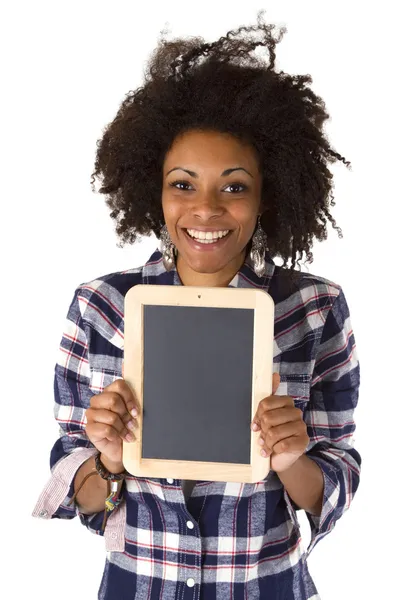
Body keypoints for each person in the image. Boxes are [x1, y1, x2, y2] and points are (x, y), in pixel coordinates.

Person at [32, 12, 361, 600]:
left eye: (234, 186)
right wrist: (108, 459)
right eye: (182, 184)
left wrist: (290, 459)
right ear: (153, 190)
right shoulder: (101, 306)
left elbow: (333, 486)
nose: (205, 209)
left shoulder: (315, 309)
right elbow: (77, 492)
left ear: (268, 194)